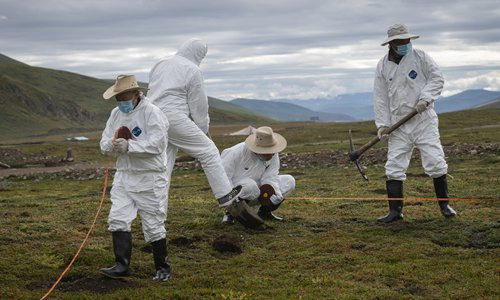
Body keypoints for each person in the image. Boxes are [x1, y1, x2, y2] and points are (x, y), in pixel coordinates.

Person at [373, 24, 457, 223]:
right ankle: (395, 212)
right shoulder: (383, 66)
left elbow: (437, 78)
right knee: (394, 166)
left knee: (435, 161)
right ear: (392, 44)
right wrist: (383, 124)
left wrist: (425, 99)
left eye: (407, 41)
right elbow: (380, 97)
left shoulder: (421, 58)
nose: (406, 44)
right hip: (398, 125)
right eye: (401, 42)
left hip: (423, 119)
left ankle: (445, 206)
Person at [148, 38, 241, 208]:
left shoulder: (160, 64)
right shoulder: (193, 70)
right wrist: (202, 129)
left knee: (163, 167)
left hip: (151, 117)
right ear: (199, 54)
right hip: (173, 118)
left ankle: (155, 211)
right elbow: (199, 105)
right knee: (209, 151)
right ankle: (225, 195)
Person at [99, 75, 171, 281]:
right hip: (124, 175)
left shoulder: (152, 113)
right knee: (117, 218)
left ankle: (162, 268)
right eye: (117, 98)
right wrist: (111, 146)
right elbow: (104, 140)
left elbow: (158, 144)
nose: (120, 102)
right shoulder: (115, 114)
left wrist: (131, 146)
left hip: (150, 177)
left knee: (153, 222)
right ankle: (121, 265)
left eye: (123, 97)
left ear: (135, 93)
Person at [220, 126, 296, 223]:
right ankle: (231, 214)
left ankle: (265, 213)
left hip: (258, 191)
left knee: (289, 181)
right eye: (269, 152)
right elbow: (223, 178)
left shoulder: (273, 154)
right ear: (258, 150)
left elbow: (271, 176)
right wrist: (229, 202)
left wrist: (274, 192)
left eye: (273, 151)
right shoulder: (235, 153)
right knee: (250, 186)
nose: (273, 155)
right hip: (237, 192)